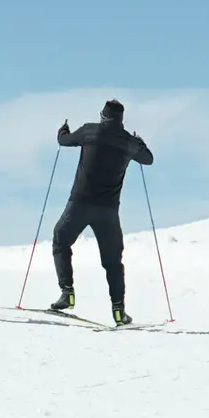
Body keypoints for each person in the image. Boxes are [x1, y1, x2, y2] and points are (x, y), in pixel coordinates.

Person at [49, 98, 153, 326]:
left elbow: (63, 141)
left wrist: (62, 130)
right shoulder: (128, 142)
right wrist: (140, 143)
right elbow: (148, 160)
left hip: (80, 203)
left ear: (103, 116)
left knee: (60, 240)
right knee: (113, 261)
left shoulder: (89, 131)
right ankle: (119, 311)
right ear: (120, 119)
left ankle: (67, 293)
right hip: (108, 211)